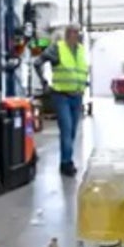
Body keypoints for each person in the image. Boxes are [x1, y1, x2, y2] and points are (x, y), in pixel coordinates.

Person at [35, 22, 87, 176]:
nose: (79, 35)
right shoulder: (57, 48)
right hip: (61, 96)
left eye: (79, 33)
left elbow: (80, 71)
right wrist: (44, 82)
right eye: (76, 32)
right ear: (69, 33)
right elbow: (37, 62)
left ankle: (67, 158)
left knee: (71, 131)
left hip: (77, 96)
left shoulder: (81, 50)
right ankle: (66, 163)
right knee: (66, 129)